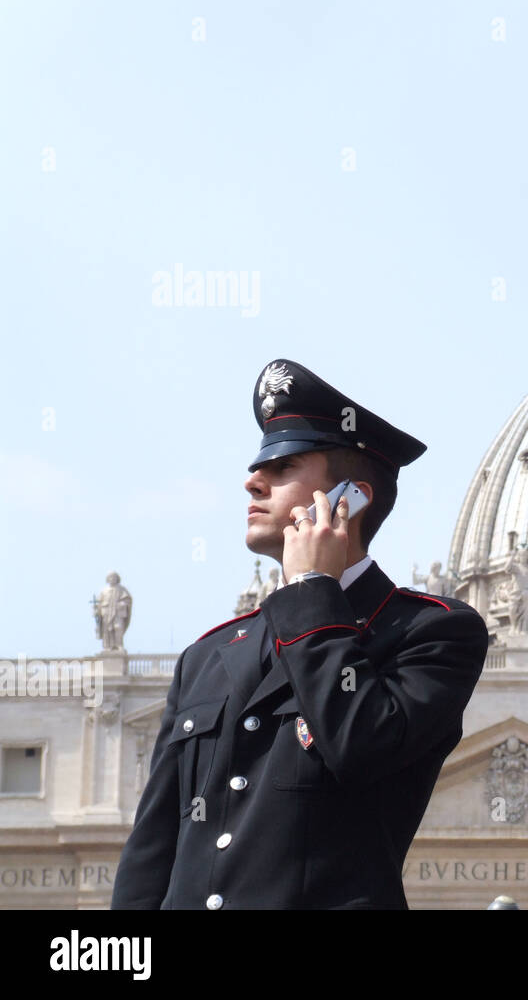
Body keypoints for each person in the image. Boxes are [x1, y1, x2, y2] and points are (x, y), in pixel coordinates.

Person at [111, 359, 488, 910]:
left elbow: (360, 746)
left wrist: (314, 585)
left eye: (284, 467)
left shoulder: (433, 632)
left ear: (351, 498)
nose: (251, 480)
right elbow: (152, 849)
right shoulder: (208, 654)